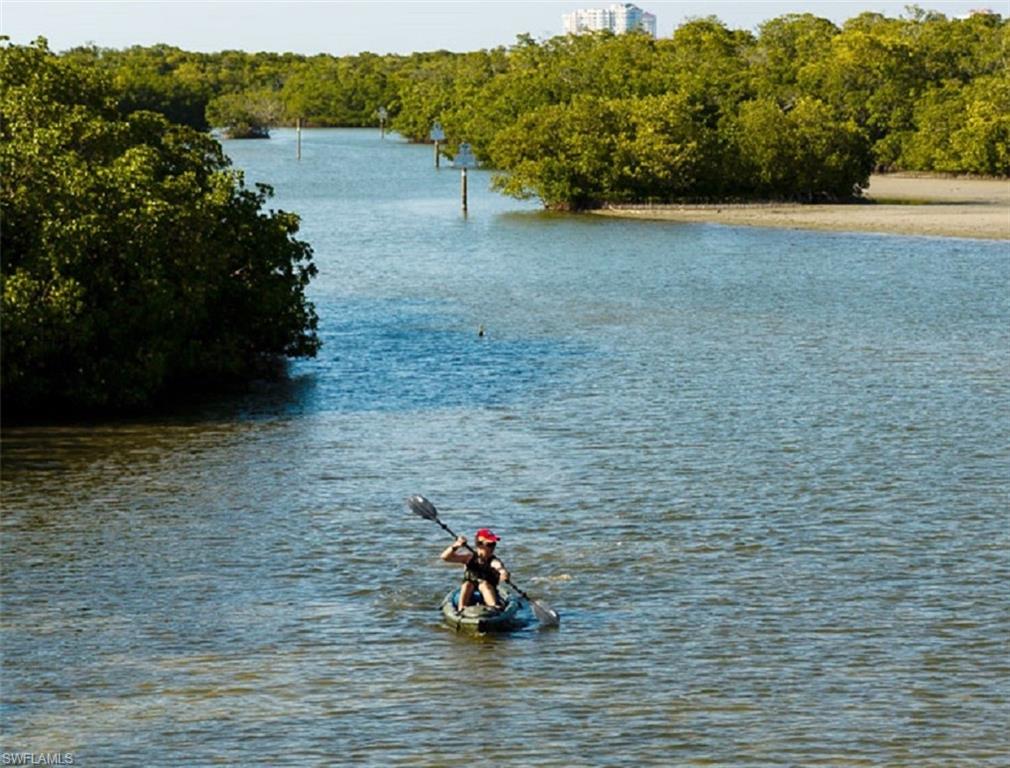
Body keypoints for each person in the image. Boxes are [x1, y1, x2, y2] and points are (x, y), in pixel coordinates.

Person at [441, 528, 510, 612]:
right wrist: (456, 546)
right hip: (469, 592)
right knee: (467, 584)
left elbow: (500, 568)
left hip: (488, 593)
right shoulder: (469, 558)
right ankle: (461, 609)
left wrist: (504, 573)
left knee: (484, 584)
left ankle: (493, 608)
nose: (492, 547)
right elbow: (445, 557)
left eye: (494, 544)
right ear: (479, 544)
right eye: (489, 544)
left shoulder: (493, 561)